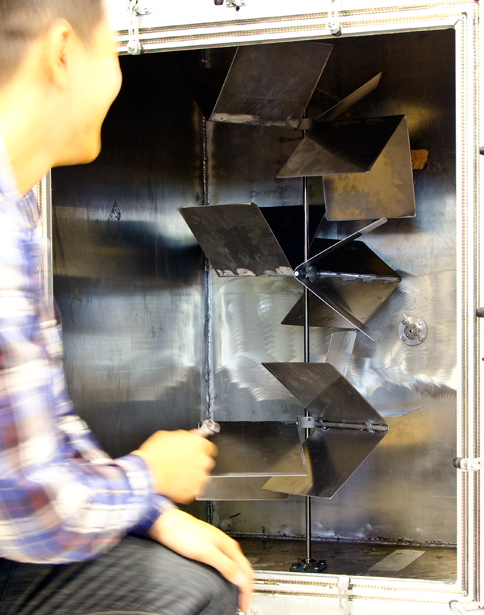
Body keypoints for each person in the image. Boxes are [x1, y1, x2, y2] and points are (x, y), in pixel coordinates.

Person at [0, 1, 253, 613]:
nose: (119, 80)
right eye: (112, 55)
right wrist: (148, 475)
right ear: (62, 52)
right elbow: (28, 505)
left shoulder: (20, 202)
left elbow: (39, 427)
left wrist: (150, 512)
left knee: (193, 580)